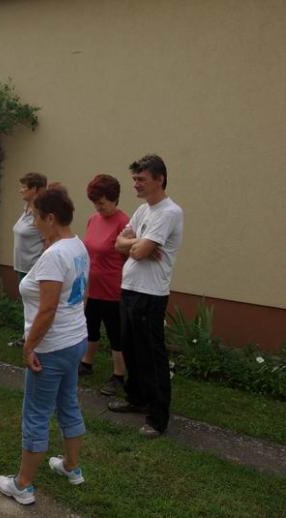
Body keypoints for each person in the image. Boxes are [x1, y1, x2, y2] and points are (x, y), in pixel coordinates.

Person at [0, 184, 89, 506]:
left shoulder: (54, 256)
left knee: (36, 413)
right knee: (68, 403)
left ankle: (22, 484)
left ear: (51, 218)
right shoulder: (77, 246)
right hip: (75, 340)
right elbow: (77, 299)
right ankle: (71, 467)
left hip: (51, 348)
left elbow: (48, 309)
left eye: (36, 217)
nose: (34, 223)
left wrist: (28, 346)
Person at [108, 154, 183, 439]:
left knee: (152, 356)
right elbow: (120, 244)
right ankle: (136, 398)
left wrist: (137, 246)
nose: (136, 185)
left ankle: (157, 417)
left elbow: (135, 251)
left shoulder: (169, 212)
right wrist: (141, 244)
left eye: (141, 179)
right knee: (130, 349)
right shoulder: (143, 211)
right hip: (130, 289)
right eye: (135, 179)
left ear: (159, 179)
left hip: (150, 294)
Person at [79, 174, 130, 396]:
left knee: (115, 331)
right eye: (95, 203)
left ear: (113, 198)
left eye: (101, 203)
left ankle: (119, 375)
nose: (98, 207)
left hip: (113, 288)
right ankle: (86, 363)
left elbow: (129, 258)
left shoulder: (124, 222)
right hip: (93, 286)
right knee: (90, 325)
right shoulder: (93, 219)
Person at [8, 172, 48, 347]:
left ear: (36, 189)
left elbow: (49, 240)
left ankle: (38, 341)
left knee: (37, 306)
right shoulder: (26, 210)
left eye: (25, 187)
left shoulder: (41, 213)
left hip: (35, 267)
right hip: (22, 266)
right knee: (28, 306)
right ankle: (27, 337)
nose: (20, 190)